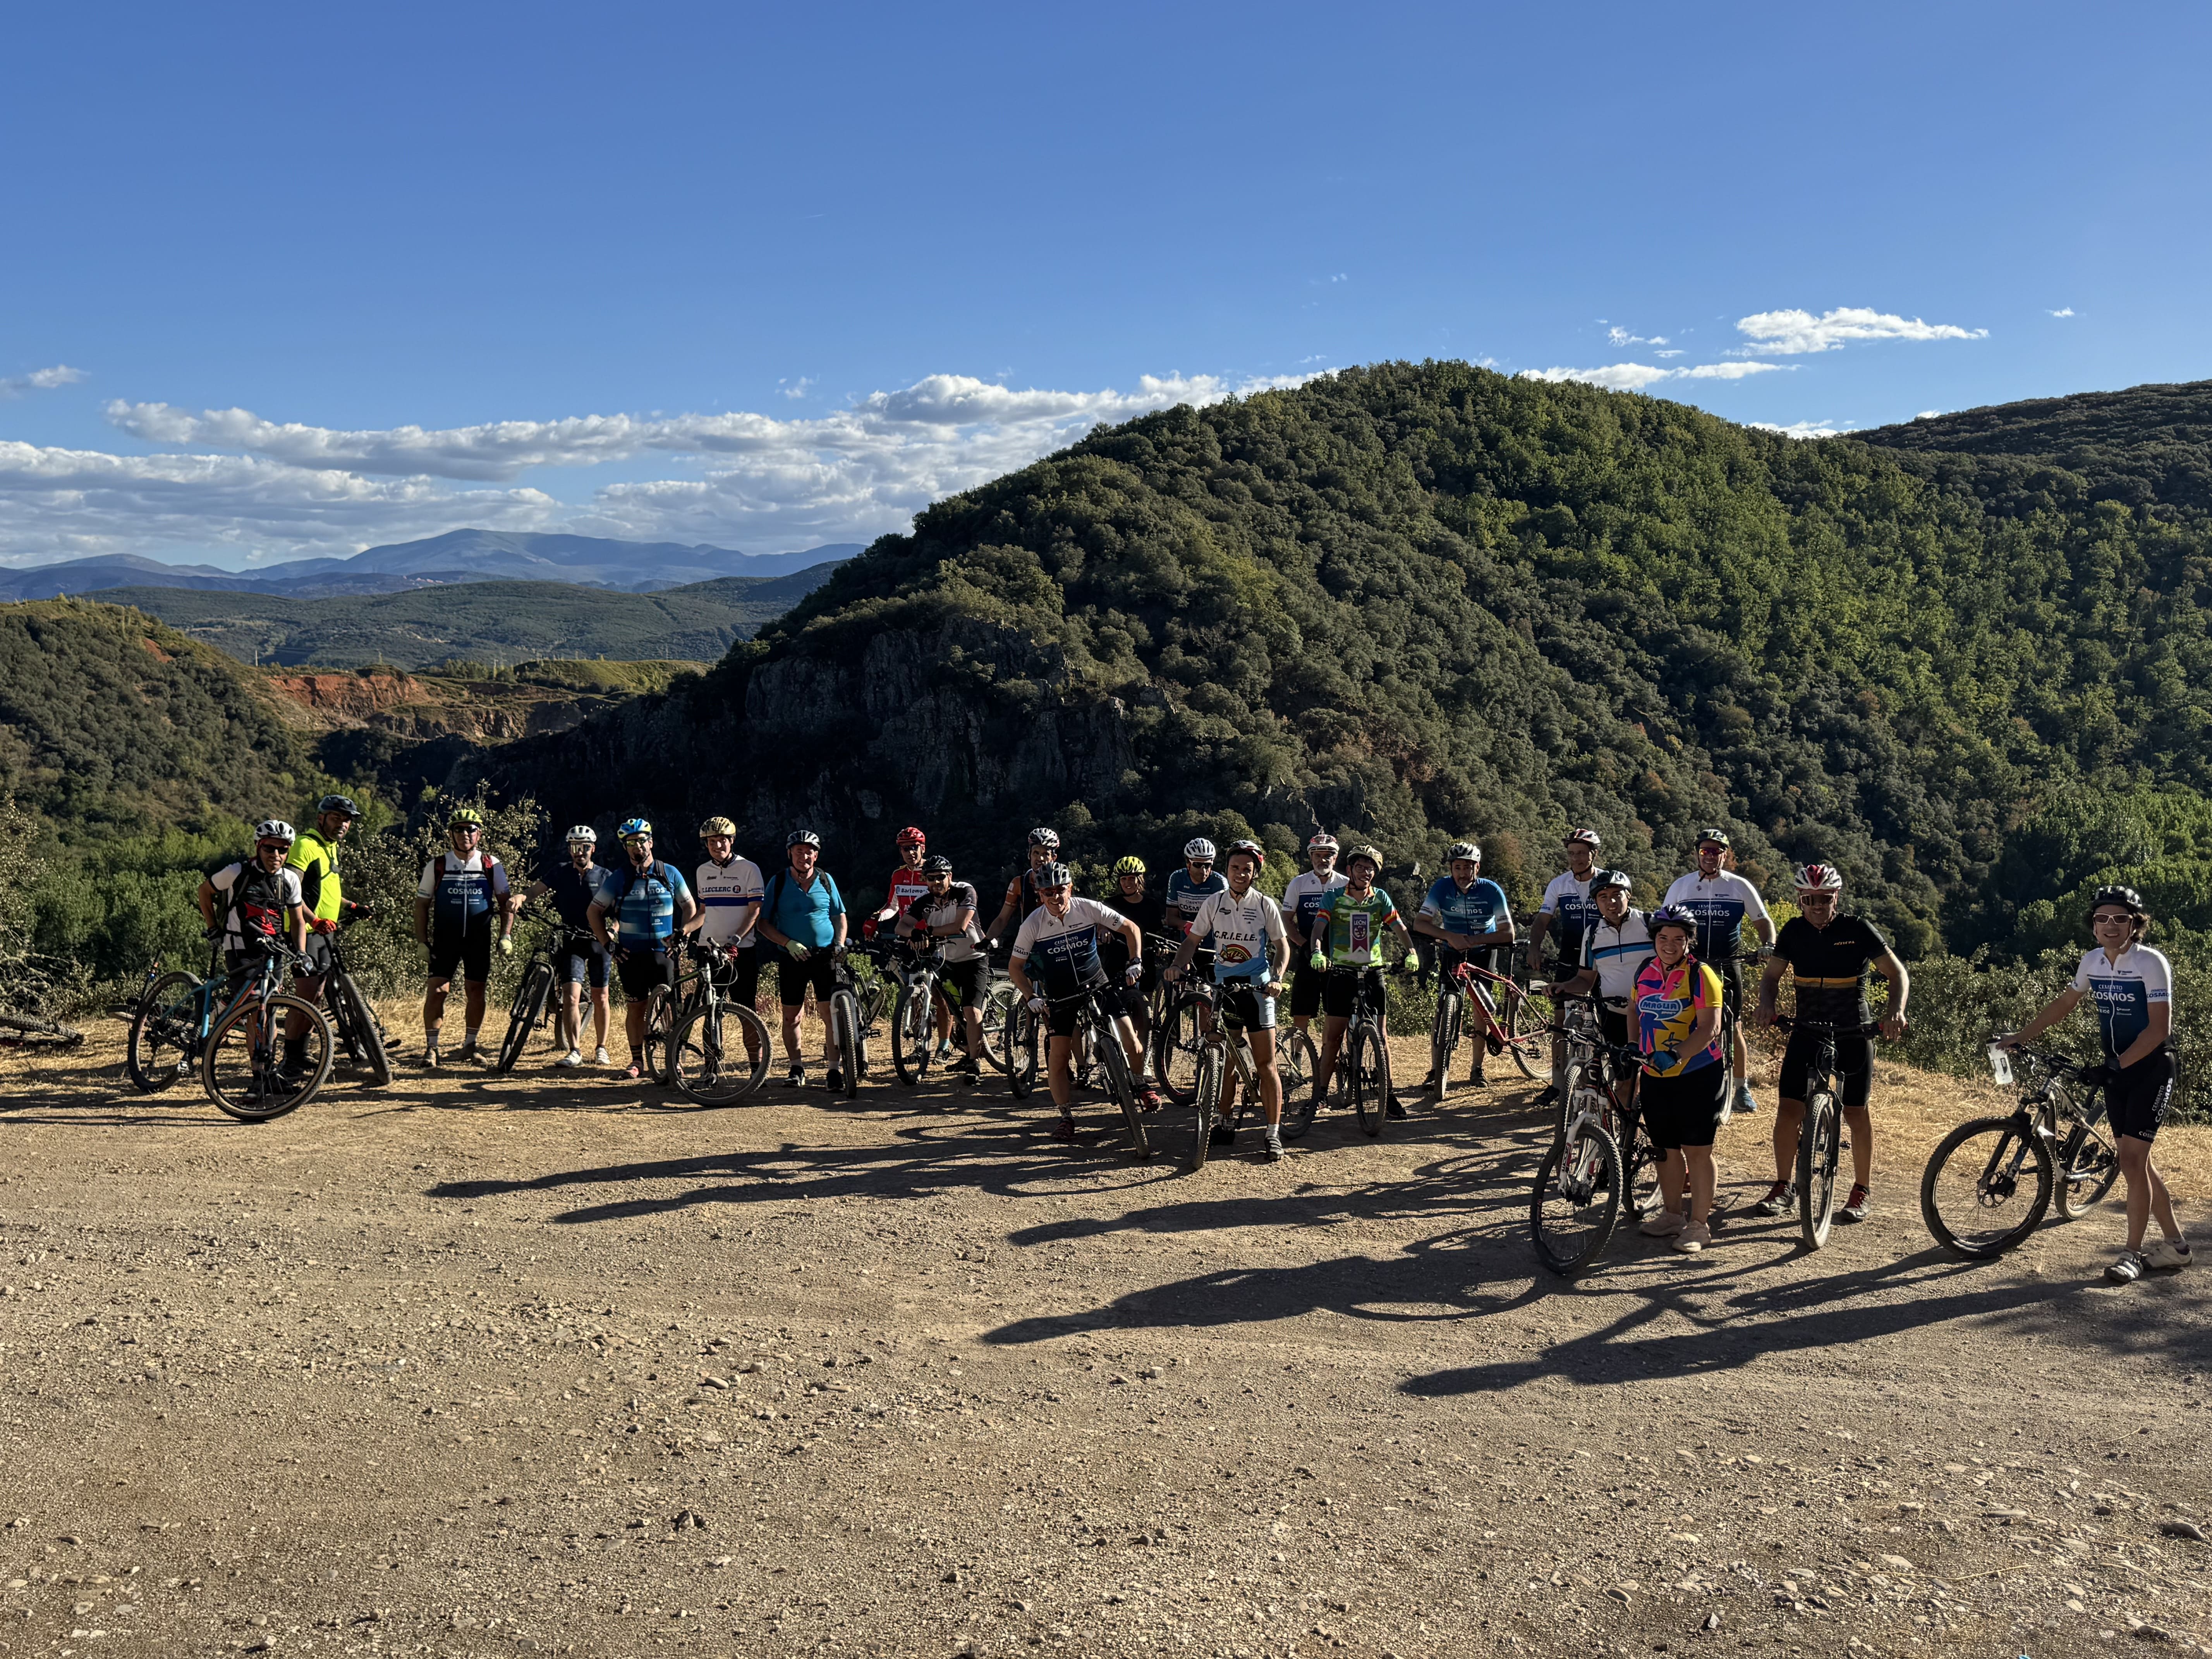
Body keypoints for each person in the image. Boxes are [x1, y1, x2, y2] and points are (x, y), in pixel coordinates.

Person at [2001, 884, 2189, 1285]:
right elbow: (2065, 1004)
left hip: (2152, 1069)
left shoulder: (2150, 963)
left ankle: (2132, 1254)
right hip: (2118, 1071)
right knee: (2135, 1162)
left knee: (2133, 1162)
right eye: (2102, 918)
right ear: (2093, 925)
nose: (2110, 925)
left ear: (2135, 925)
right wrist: (2022, 1036)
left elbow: (2158, 1030)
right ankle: (2176, 1246)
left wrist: (2115, 1067)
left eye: (2120, 919)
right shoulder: (2092, 962)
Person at [1752, 863, 1911, 1223]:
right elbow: (1771, 976)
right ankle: (1783, 1186)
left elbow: (1897, 973)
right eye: (1810, 899)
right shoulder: (1792, 931)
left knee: (1856, 1112)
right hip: (1808, 1028)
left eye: (1825, 898)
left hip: (1854, 1029)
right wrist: (1767, 1004)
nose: (1818, 905)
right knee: (1789, 1109)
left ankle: (1862, 1189)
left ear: (1836, 896)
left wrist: (1895, 1012)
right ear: (1800, 899)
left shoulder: (1857, 929)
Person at [1007, 862, 1151, 1144]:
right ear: (1040, 895)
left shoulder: (1087, 908)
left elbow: (1131, 929)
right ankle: (1066, 1116)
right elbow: (1015, 967)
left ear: (1070, 889)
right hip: (1061, 993)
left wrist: (1136, 962)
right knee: (1058, 1058)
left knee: (1132, 1041)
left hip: (1097, 983)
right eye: (1049, 892)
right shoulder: (1033, 924)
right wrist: (1031, 996)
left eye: (1061, 890)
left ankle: (1139, 1082)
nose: (1056, 897)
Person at [1166, 840, 1292, 1159]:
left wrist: (1277, 978)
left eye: (1247, 870)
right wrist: (1177, 966)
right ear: (1227, 870)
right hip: (1225, 989)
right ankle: (1224, 1121)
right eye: (1235, 868)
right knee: (1226, 1062)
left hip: (1257, 989)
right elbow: (1192, 940)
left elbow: (1282, 946)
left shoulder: (1265, 905)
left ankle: (1272, 1132)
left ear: (1255, 874)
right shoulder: (1214, 903)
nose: (1240, 874)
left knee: (1266, 1065)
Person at [1634, 903, 1729, 1253]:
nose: (1669, 944)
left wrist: (1675, 1055)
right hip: (1655, 1074)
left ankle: (1699, 1225)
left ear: (1689, 941)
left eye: (1678, 938)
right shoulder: (1646, 971)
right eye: (1663, 937)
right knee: (1666, 1149)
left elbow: (1710, 1028)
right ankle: (1672, 1215)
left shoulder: (1701, 975)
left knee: (1697, 1150)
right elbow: (1635, 1010)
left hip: (1696, 1072)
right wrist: (1633, 1045)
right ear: (1654, 939)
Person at [1662, 829, 1774, 1116]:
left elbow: (1763, 922)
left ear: (1726, 855)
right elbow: (1664, 924)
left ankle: (1741, 1087)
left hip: (1728, 962)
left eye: (1716, 851)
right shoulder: (1682, 887)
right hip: (1693, 964)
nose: (1710, 856)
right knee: (1686, 1019)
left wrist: (1768, 946)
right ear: (1697, 854)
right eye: (1705, 851)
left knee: (1733, 1025)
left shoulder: (1739, 886)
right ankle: (1683, 1074)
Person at [1308, 844, 1419, 1113]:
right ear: (1350, 870)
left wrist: (1412, 952)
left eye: (1370, 869)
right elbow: (1318, 929)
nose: (1365, 872)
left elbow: (1399, 927)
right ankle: (1321, 1095)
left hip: (1373, 972)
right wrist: (1317, 952)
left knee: (1381, 1036)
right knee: (1333, 1039)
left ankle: (1388, 1094)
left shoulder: (1380, 898)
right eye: (1360, 867)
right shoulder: (1334, 897)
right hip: (1342, 972)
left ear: (1375, 873)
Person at [587, 818, 698, 1081]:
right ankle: (637, 1061)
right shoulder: (620, 878)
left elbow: (690, 907)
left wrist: (682, 934)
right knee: (636, 1009)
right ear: (626, 848)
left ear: (651, 842)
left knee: (669, 1008)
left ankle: (673, 1061)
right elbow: (594, 911)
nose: (637, 847)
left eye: (641, 841)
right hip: (631, 955)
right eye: (631, 844)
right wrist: (608, 944)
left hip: (664, 954)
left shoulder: (669, 873)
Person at [1537, 868, 1653, 1116]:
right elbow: (1585, 979)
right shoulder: (1592, 934)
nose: (1611, 902)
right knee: (1625, 1083)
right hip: (1616, 1016)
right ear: (1596, 902)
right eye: (1603, 897)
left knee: (1657, 1082)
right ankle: (1620, 1143)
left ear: (1629, 896)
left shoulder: (1650, 925)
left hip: (1655, 1016)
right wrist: (1564, 987)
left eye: (1617, 895)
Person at [413, 805, 515, 1067]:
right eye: (459, 830)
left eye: (470, 829)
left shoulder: (491, 865)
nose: (465, 834)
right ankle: (432, 1048)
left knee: (476, 991)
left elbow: (506, 903)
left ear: (478, 834)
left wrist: (506, 935)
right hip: (445, 939)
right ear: (452, 834)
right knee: (437, 991)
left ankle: (470, 1045)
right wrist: (422, 941)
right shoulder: (437, 865)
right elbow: (422, 905)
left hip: (478, 939)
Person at [1413, 840, 1516, 1088]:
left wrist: (1473, 940)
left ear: (1477, 868)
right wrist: (1450, 936)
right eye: (1458, 868)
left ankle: (1477, 1069)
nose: (1462, 874)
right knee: (1442, 1008)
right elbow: (1420, 923)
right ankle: (1436, 1068)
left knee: (1482, 1011)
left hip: (1483, 951)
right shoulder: (1442, 888)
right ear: (1451, 869)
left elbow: (1508, 933)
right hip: (1452, 951)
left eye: (1468, 868)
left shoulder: (1491, 891)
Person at [755, 830, 850, 1089]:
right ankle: (796, 1067)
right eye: (799, 851)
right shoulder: (779, 882)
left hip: (824, 956)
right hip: (792, 957)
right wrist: (788, 943)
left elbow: (839, 916)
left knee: (830, 1015)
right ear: (790, 854)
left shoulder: (826, 880)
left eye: (809, 851)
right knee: (791, 1017)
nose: (804, 856)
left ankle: (833, 1070)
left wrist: (840, 943)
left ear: (816, 855)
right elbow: (763, 923)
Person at [1526, 828, 1605, 1109]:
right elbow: (1542, 919)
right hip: (1569, 956)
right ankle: (1558, 1084)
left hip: (1602, 957)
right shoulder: (1559, 884)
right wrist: (1534, 947)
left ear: (1593, 854)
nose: (1577, 859)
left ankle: (1601, 1078)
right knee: (1560, 1022)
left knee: (1604, 1019)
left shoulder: (1606, 882)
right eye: (1572, 854)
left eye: (1582, 853)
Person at [283, 793, 359, 1079]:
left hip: (324, 934)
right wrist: (314, 919)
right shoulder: (306, 845)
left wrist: (352, 906)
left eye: (347, 820)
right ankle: (289, 1062)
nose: (342, 824)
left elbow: (326, 891)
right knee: (305, 998)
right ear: (321, 818)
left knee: (315, 998)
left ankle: (300, 1055)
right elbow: (291, 892)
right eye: (337, 818)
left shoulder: (331, 848)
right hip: (304, 933)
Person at [894, 854, 988, 1086]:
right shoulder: (924, 902)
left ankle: (975, 1063)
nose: (937, 883)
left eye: (941, 877)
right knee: (948, 1005)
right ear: (925, 880)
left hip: (974, 957)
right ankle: (965, 1049)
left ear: (950, 877)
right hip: (946, 960)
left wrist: (927, 932)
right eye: (931, 878)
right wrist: (913, 933)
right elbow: (901, 926)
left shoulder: (965, 891)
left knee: (970, 1011)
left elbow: (960, 925)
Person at [686, 816, 765, 1073]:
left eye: (722, 840)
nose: (717, 846)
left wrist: (736, 940)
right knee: (710, 1010)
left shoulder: (749, 869)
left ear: (732, 841)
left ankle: (756, 1067)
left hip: (740, 950)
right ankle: (710, 1066)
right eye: (712, 842)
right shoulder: (703, 871)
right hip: (708, 949)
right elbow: (703, 912)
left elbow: (755, 911)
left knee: (746, 1011)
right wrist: (684, 931)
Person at [199, 820, 309, 991]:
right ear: (258, 847)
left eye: (283, 850)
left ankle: (229, 1005)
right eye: (269, 848)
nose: (276, 855)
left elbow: (298, 921)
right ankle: (220, 1014)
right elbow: (204, 891)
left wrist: (302, 952)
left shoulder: (290, 879)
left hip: (275, 947)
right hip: (240, 945)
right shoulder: (237, 872)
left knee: (270, 1002)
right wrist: (213, 928)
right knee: (253, 997)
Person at [539, 826, 614, 1067]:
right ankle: (575, 1050)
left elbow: (620, 912)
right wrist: (520, 898)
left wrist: (614, 931)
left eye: (584, 847)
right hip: (572, 941)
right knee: (570, 998)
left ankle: (602, 1048)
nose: (579, 852)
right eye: (574, 847)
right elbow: (537, 889)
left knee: (601, 997)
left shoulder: (605, 877)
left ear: (593, 849)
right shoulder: (561, 872)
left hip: (599, 941)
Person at [1097, 855, 1169, 1054]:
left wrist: (1161, 947)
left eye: (1132, 878)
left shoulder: (1152, 905)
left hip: (1143, 964)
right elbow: (1101, 926)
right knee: (1111, 1014)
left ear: (1140, 880)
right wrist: (1102, 932)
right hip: (1115, 963)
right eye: (1123, 879)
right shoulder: (1109, 903)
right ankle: (1112, 1058)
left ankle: (1142, 1057)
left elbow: (1157, 934)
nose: (1128, 883)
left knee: (1142, 1015)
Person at [1282, 833, 1348, 1039]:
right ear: (1311, 858)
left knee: (1335, 1012)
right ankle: (1297, 1061)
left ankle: (1331, 1057)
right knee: (1302, 1012)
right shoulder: (1299, 883)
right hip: (1307, 954)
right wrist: (1303, 945)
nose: (1323, 860)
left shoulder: (1346, 884)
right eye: (1318, 855)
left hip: (1339, 955)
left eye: (1329, 855)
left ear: (1336, 858)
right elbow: (1285, 919)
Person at [986, 828, 1064, 950]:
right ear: (1029, 855)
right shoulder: (1019, 883)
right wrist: (987, 940)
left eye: (1046, 854)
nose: (1041, 859)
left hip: (1059, 941)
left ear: (1054, 857)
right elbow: (1003, 918)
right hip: (1032, 943)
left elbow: (1077, 910)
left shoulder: (1063, 882)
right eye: (1036, 853)